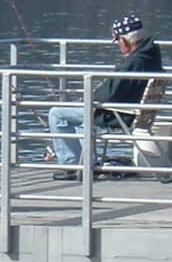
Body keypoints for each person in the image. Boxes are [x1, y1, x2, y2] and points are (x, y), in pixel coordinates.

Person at [48, 14, 164, 181]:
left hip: (118, 114)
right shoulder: (150, 56)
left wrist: (89, 98)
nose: (117, 45)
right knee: (76, 113)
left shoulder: (135, 62)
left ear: (124, 40)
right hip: (132, 111)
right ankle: (84, 163)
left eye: (117, 41)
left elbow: (111, 92)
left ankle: (75, 165)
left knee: (56, 113)